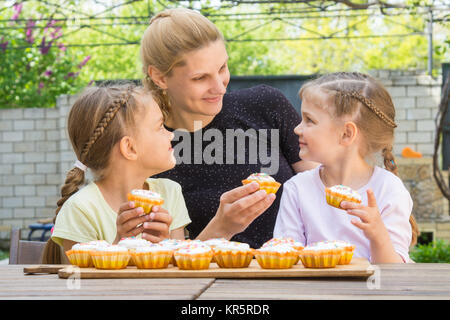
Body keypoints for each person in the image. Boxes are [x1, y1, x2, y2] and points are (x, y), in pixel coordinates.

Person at [140, 8, 317, 249]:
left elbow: (323, 193)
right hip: (206, 286)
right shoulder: (148, 149)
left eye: (222, 68)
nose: (220, 88)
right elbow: (163, 262)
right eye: (200, 78)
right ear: (159, 77)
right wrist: (221, 228)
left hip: (297, 275)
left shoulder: (265, 105)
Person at [273, 72, 419, 263]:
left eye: (309, 120)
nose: (297, 129)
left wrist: (378, 234)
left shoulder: (389, 189)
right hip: (314, 293)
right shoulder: (297, 189)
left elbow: (394, 274)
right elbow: (287, 258)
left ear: (346, 134)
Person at [42, 84, 191, 263]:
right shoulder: (81, 210)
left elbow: (180, 277)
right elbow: (79, 285)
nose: (171, 135)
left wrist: (166, 244)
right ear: (129, 147)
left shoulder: (170, 193)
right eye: (160, 127)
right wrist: (118, 246)